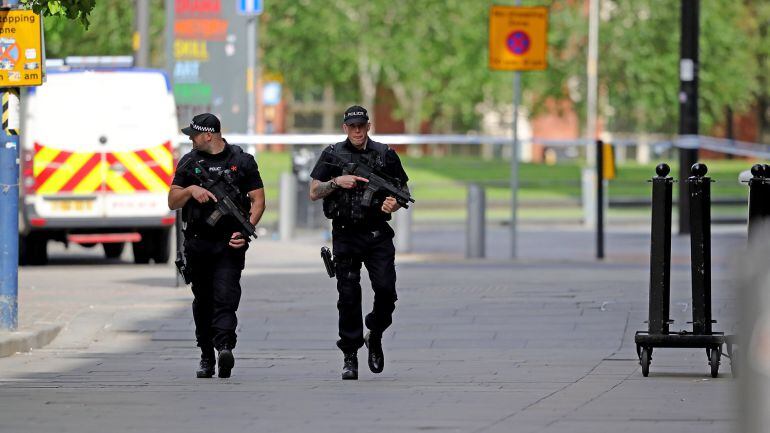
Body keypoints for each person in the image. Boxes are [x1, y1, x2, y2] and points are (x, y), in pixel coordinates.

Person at [309, 105, 410, 380]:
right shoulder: (332, 154)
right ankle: (350, 355)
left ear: (368, 126)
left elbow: (402, 191)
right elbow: (314, 192)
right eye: (351, 126)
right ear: (345, 128)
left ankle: (374, 332)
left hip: (377, 234)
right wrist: (336, 182)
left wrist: (394, 203)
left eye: (361, 126)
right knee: (348, 296)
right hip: (345, 234)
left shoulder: (384, 154)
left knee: (387, 291)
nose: (356, 130)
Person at [168, 113, 265, 379]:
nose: (191, 139)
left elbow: (258, 200)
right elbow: (172, 201)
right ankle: (206, 354)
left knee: (226, 295)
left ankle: (224, 346)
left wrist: (248, 230)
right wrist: (190, 191)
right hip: (198, 242)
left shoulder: (242, 162)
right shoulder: (189, 162)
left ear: (208, 135)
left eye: (194, 134)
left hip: (230, 242)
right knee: (203, 300)